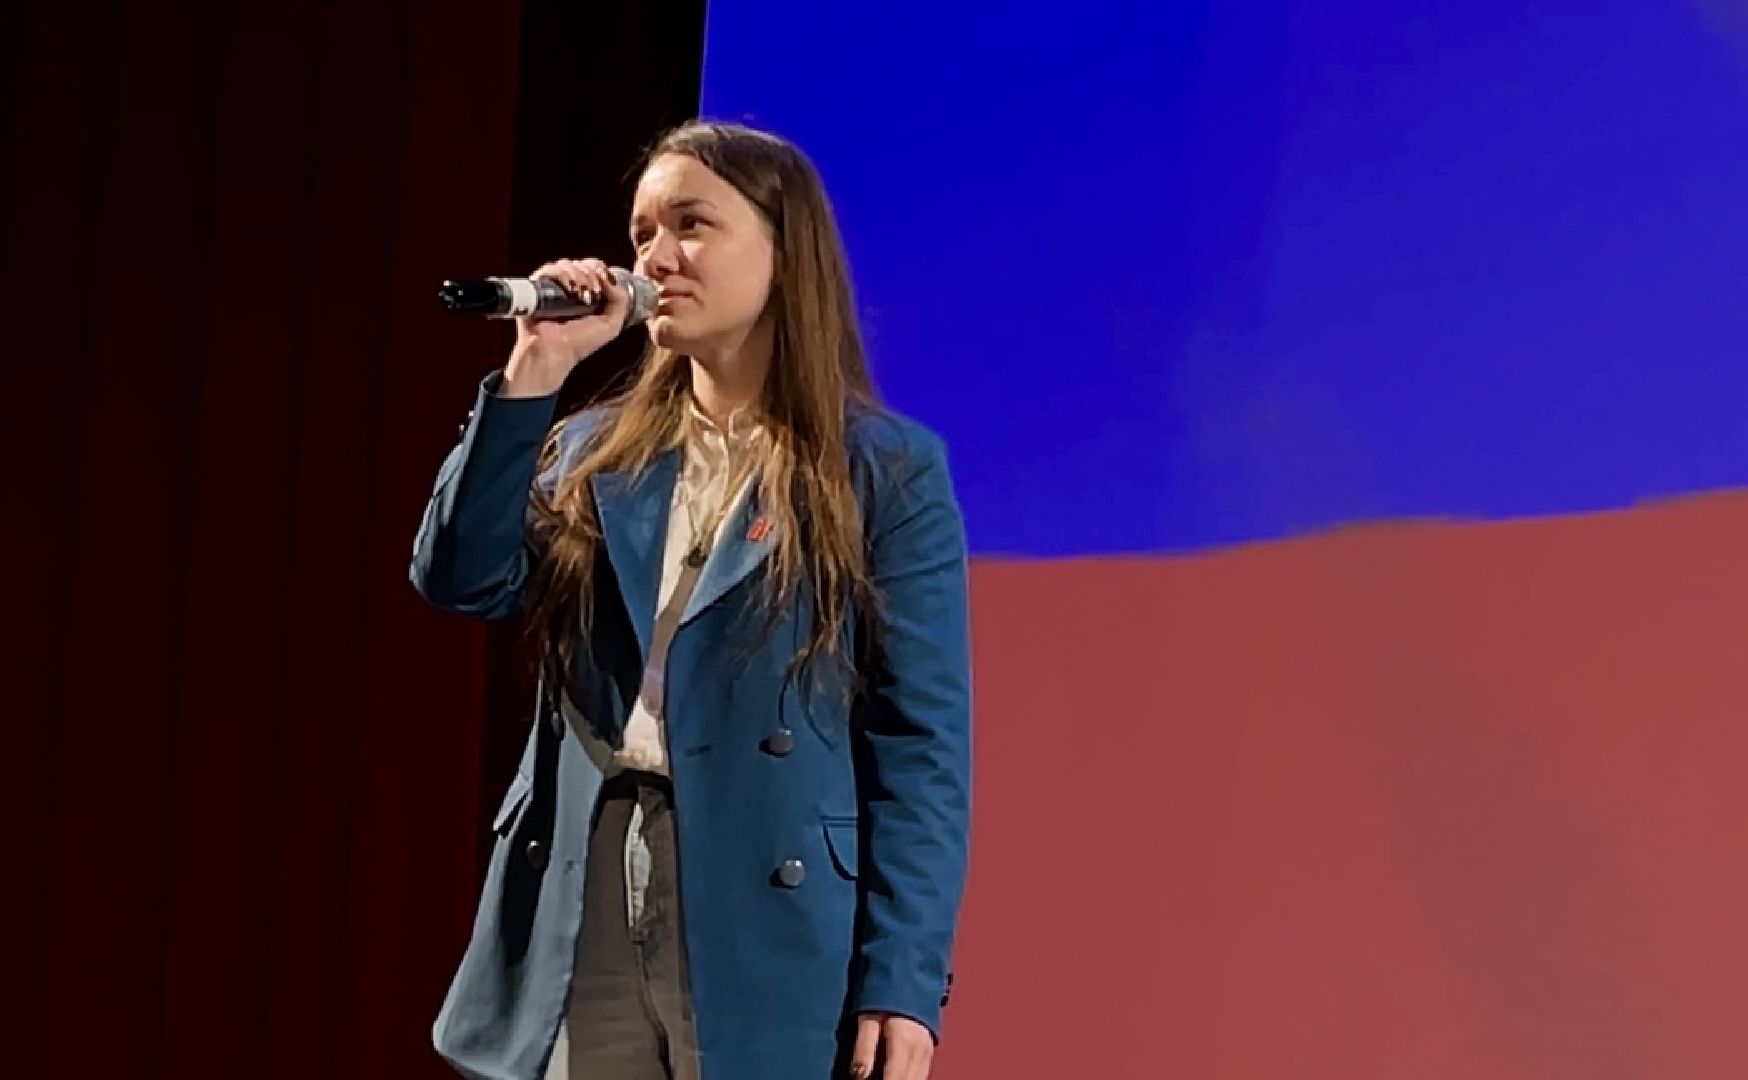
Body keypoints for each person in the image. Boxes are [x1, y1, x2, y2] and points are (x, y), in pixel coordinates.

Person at [410, 120, 973, 1080]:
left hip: (765, 894)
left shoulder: (883, 472)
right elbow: (461, 577)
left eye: (691, 225)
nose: (655, 258)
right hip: (590, 870)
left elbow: (920, 745)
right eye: (640, 236)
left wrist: (902, 980)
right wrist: (534, 372)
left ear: (782, 249)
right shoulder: (594, 454)